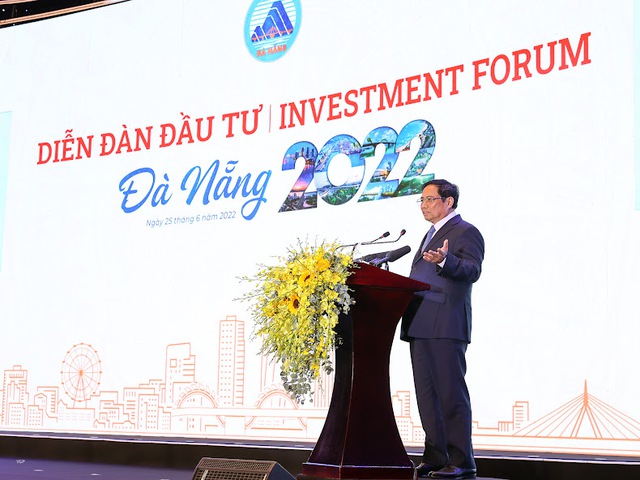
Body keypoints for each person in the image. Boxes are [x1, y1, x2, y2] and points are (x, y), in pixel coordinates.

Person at [401, 179, 485, 480]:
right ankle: (436, 457)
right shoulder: (430, 234)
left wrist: (446, 261)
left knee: (450, 395)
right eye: (421, 200)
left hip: (446, 323)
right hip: (421, 323)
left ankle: (462, 461)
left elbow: (472, 270)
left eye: (430, 199)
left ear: (448, 201)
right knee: (427, 398)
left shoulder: (466, 231)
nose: (424, 205)